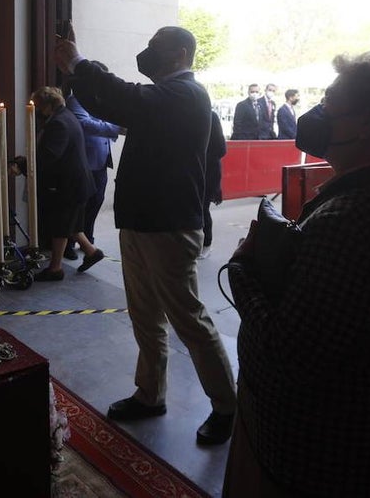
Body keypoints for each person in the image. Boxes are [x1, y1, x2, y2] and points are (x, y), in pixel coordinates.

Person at [223, 51, 370, 498]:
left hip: (314, 451)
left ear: (366, 123)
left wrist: (245, 269)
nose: (318, 115)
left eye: (328, 105)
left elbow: (291, 352)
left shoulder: (349, 220)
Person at [55, 26, 238, 447]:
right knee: (145, 317)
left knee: (188, 319)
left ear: (178, 53)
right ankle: (149, 394)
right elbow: (111, 100)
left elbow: (128, 98)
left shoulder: (186, 93)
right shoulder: (164, 98)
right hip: (140, 221)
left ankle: (227, 405)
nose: (145, 54)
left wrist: (81, 64)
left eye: (154, 48)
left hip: (170, 225)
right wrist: (80, 70)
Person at [14, 86, 104, 280]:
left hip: (68, 184)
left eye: (38, 106)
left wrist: (22, 165)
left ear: (47, 105)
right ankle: (92, 252)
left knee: (60, 225)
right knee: (70, 223)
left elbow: (49, 156)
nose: (37, 110)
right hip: (76, 182)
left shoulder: (59, 123)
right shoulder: (66, 116)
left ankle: (55, 269)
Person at [64, 62, 124, 261]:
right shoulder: (76, 100)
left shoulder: (102, 100)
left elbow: (110, 121)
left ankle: (88, 237)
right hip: (84, 162)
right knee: (78, 205)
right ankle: (70, 244)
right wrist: (114, 128)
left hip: (101, 160)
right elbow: (85, 124)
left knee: (96, 201)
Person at [200, 109, 227, 259]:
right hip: (192, 169)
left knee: (203, 208)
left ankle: (206, 243)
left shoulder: (211, 116)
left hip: (208, 171)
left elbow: (220, 149)